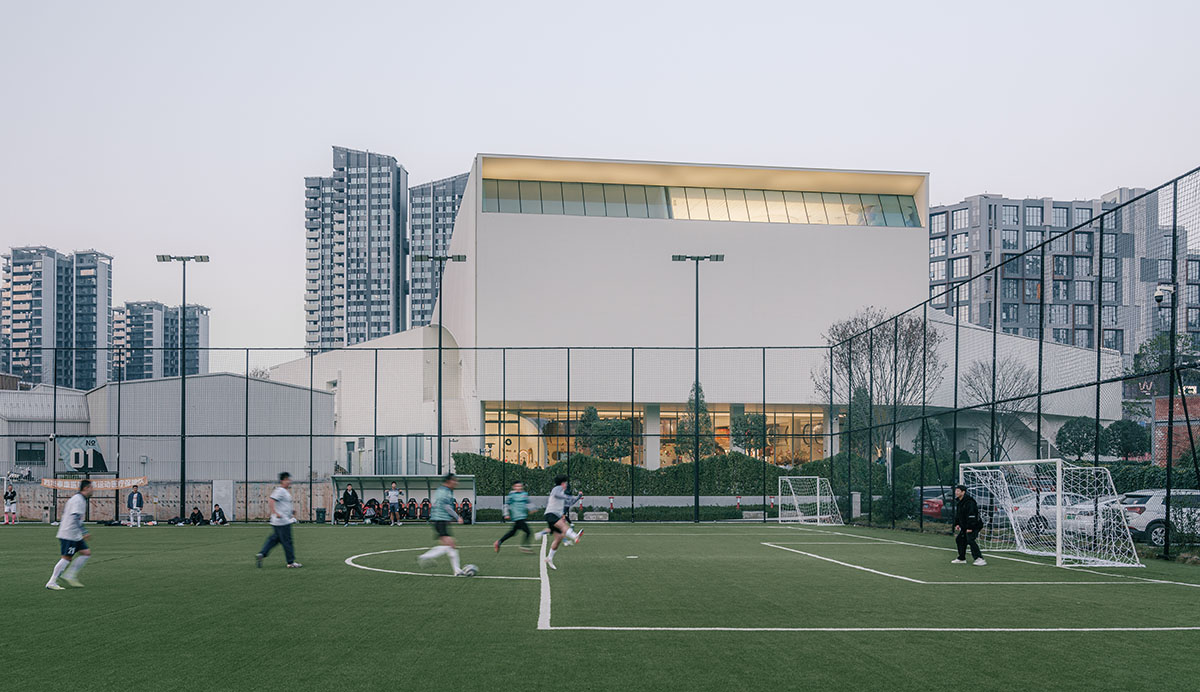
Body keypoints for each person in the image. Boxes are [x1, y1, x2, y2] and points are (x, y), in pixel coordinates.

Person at [46, 480, 94, 590]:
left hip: (75, 534)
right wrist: (84, 532)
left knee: (86, 553)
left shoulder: (81, 499)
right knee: (67, 558)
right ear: (86, 488)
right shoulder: (77, 500)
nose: (93, 490)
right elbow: (75, 517)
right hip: (69, 533)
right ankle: (51, 582)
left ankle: (70, 575)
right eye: (91, 488)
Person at [417, 473, 466, 576]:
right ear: (449, 481)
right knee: (451, 544)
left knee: (450, 545)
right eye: (454, 480)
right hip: (440, 521)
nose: (456, 483)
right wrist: (457, 517)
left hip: (439, 520)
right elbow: (447, 507)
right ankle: (425, 557)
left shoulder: (442, 490)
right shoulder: (445, 492)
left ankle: (457, 570)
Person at [256, 472, 302, 568]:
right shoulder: (280, 490)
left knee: (274, 539)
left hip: (279, 521)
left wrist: (291, 511)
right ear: (282, 481)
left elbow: (284, 505)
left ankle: (262, 554)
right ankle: (291, 562)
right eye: (287, 480)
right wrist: (275, 512)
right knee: (287, 541)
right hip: (282, 521)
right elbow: (272, 500)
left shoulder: (284, 491)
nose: (289, 482)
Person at [542, 475, 584, 570]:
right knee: (563, 525)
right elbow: (558, 495)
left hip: (554, 516)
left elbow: (570, 502)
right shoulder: (557, 489)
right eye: (565, 483)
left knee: (559, 538)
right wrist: (567, 497)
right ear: (562, 483)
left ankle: (549, 558)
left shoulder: (562, 493)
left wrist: (579, 496)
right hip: (551, 514)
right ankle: (574, 536)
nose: (566, 485)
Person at [951, 484, 986, 566]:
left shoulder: (970, 502)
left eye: (958, 491)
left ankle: (979, 558)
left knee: (970, 539)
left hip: (974, 525)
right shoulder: (960, 502)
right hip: (965, 525)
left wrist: (970, 527)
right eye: (956, 490)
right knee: (959, 539)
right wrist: (957, 524)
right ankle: (961, 558)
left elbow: (972, 516)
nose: (956, 492)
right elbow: (959, 514)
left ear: (963, 492)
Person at [494, 481, 532, 553]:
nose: (518, 488)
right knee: (528, 532)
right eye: (517, 486)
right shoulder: (512, 495)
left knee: (512, 532)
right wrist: (506, 514)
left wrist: (532, 509)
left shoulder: (524, 494)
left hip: (522, 516)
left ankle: (498, 542)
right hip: (517, 516)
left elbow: (528, 502)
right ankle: (524, 546)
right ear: (514, 487)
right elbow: (506, 505)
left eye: (520, 486)